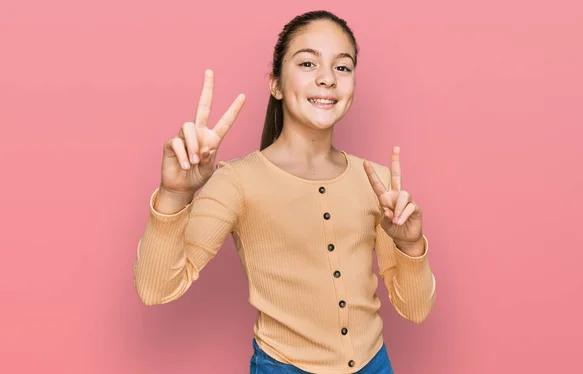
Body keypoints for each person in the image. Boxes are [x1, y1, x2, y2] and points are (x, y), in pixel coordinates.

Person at [134, 10, 436, 374]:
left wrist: (411, 245)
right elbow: (155, 288)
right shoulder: (237, 181)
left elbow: (416, 311)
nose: (327, 79)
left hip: (376, 364)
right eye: (308, 63)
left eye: (342, 67)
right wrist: (174, 194)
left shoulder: (379, 182)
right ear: (275, 83)